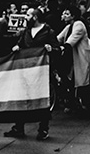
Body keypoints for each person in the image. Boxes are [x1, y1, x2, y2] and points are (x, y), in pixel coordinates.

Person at [4, 7, 58, 141]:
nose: (25, 17)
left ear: (35, 17)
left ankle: (43, 129)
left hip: (41, 73)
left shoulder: (48, 32)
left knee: (42, 99)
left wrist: (51, 49)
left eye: (28, 15)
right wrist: (17, 47)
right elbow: (20, 44)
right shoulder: (26, 32)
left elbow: (57, 49)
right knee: (21, 98)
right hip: (26, 71)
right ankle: (19, 127)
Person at [56, 6, 90, 111]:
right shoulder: (69, 26)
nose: (64, 16)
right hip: (71, 58)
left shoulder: (79, 25)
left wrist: (64, 46)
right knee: (69, 80)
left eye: (67, 14)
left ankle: (87, 105)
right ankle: (72, 102)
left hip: (80, 58)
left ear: (73, 16)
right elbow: (59, 38)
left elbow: (73, 39)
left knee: (82, 84)